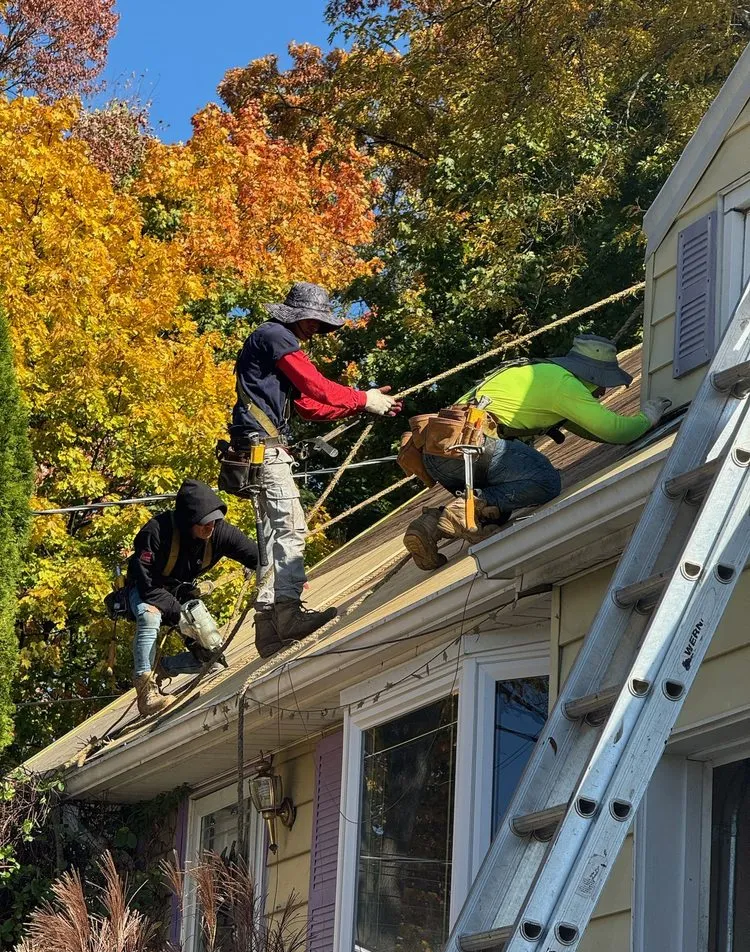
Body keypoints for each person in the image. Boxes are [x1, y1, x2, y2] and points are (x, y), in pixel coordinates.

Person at [231, 282, 402, 658]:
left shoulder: (267, 344)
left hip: (252, 453)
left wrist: (362, 405)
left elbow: (310, 406)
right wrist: (363, 398)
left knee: (272, 539)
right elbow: (316, 386)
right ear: (297, 314)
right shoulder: (275, 336)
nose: (315, 328)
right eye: (313, 320)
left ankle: (268, 628)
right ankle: (288, 616)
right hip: (264, 451)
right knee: (291, 530)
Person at [403, 334, 671, 570]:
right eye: (604, 383)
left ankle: (428, 528)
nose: (602, 392)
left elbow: (592, 431)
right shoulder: (565, 384)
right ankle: (468, 506)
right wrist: (648, 417)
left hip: (439, 454)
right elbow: (614, 430)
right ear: (594, 374)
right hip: (472, 446)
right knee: (545, 480)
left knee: (498, 508)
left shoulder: (540, 372)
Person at [126, 479, 258, 716]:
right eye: (205, 524)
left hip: (180, 592)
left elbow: (259, 557)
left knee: (213, 660)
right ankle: (145, 690)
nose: (211, 528)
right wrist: (180, 616)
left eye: (215, 522)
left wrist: (290, 575)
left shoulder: (220, 532)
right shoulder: (155, 532)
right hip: (147, 590)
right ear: (189, 521)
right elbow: (147, 587)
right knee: (150, 616)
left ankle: (163, 668)